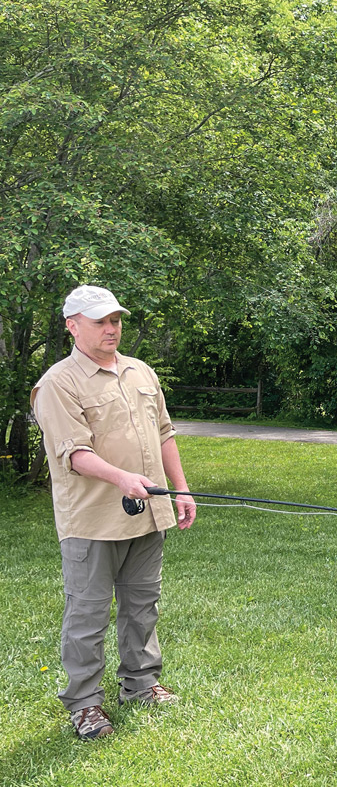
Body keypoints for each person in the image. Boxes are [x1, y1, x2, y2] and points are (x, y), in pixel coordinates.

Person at [31, 285, 198, 740]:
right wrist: (123, 478)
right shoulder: (58, 383)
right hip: (91, 520)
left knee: (143, 605)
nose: (111, 328)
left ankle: (141, 684)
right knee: (87, 613)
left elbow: (164, 433)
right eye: (101, 321)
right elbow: (73, 453)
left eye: (116, 320)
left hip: (147, 512)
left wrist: (180, 489)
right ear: (72, 325)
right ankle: (84, 704)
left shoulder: (140, 372)